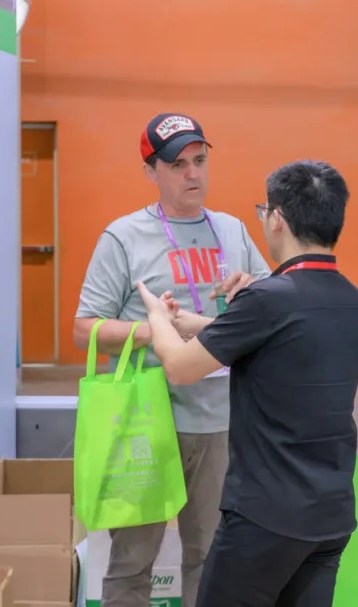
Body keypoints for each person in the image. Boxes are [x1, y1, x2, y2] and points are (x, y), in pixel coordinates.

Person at [136, 160, 358, 607]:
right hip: (330, 514)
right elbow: (280, 339)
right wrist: (194, 322)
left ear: (277, 218)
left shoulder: (268, 298)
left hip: (266, 516)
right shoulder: (351, 299)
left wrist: (156, 316)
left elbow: (180, 368)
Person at [74, 113, 270, 607]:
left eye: (199, 161)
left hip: (222, 419)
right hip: (146, 422)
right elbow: (84, 328)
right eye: (177, 165)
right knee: (131, 562)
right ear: (150, 170)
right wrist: (154, 330)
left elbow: (274, 307)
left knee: (211, 559)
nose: (192, 174)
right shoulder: (123, 237)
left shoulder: (232, 231)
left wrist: (252, 288)